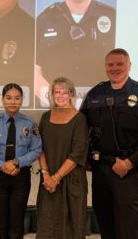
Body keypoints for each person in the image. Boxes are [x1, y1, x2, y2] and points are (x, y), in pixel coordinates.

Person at [81, 48, 138, 239]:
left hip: (129, 170)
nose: (115, 68)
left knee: (130, 228)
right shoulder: (95, 94)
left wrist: (129, 162)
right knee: (106, 226)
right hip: (101, 171)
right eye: (110, 64)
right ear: (105, 67)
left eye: (119, 64)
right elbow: (81, 129)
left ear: (129, 66)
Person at [36, 0, 116, 99]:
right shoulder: (43, 19)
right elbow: (34, 71)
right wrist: (52, 99)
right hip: (57, 111)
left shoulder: (114, 17)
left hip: (103, 109)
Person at [0, 83, 42, 239]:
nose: (13, 101)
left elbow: (37, 149)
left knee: (16, 222)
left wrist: (16, 162)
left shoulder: (30, 123)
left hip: (20, 176)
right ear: (2, 100)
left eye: (17, 98)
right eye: (8, 98)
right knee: (0, 222)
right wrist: (3, 165)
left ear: (22, 100)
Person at [36, 77, 89, 239]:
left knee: (71, 227)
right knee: (47, 225)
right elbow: (40, 147)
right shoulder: (45, 117)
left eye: (64, 92)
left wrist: (56, 177)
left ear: (71, 94)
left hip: (70, 180)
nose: (60, 95)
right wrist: (46, 174)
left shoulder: (80, 119)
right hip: (48, 181)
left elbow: (78, 153)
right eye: (56, 92)